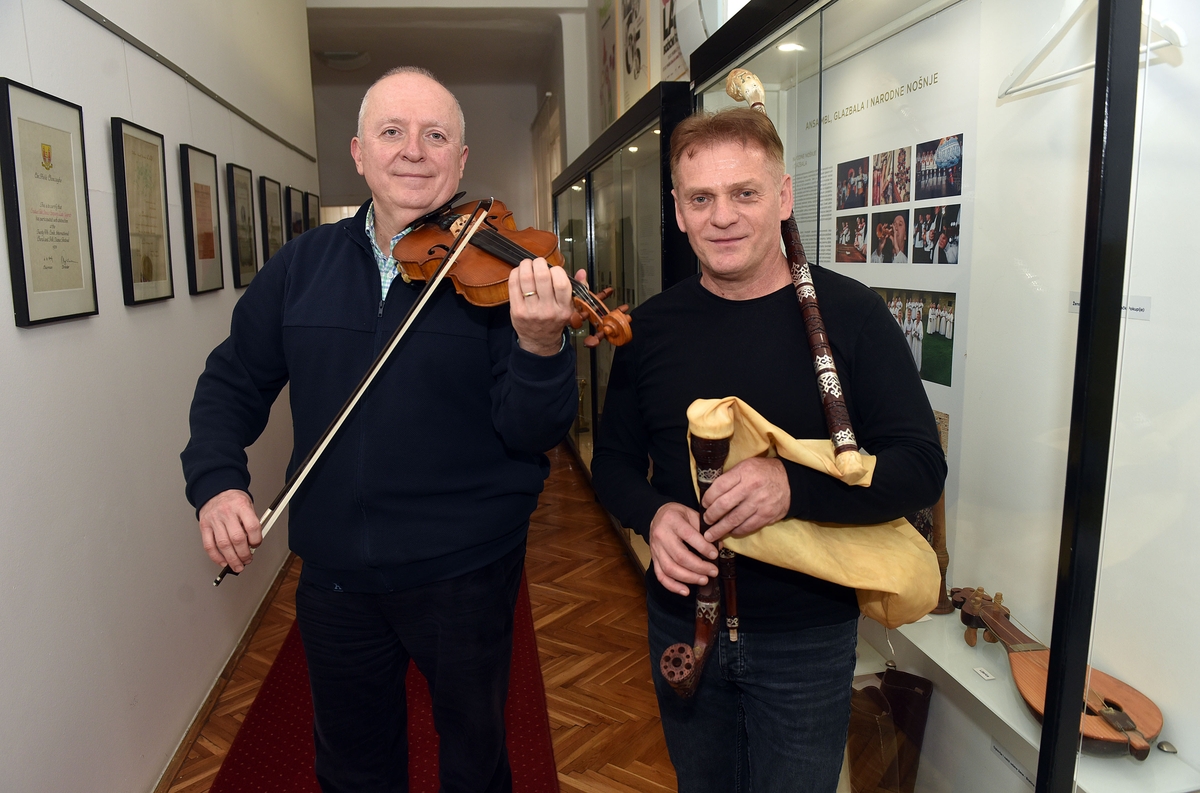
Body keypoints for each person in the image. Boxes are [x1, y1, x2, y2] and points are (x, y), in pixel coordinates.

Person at [181, 66, 581, 793]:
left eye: (436, 136)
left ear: (461, 161)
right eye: (392, 132)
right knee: (352, 765)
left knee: (475, 758)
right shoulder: (300, 266)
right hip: (337, 577)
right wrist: (216, 483)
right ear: (360, 152)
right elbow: (231, 380)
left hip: (466, 572)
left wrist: (539, 345)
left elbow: (535, 430)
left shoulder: (503, 270)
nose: (413, 150)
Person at [590, 107, 946, 793]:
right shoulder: (651, 328)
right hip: (679, 619)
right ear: (679, 211)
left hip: (807, 636)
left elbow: (921, 466)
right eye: (702, 198)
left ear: (782, 197)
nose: (722, 216)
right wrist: (652, 515)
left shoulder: (853, 316)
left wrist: (794, 485)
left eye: (744, 193)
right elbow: (612, 461)